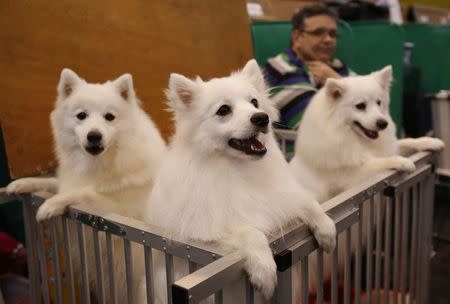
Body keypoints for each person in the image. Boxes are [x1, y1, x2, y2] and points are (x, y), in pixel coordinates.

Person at [264, 5, 355, 129]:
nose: (328, 39)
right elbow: (316, 128)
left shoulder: (334, 66)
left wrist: (337, 79)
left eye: (333, 34)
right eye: (318, 33)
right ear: (297, 38)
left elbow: (375, 105)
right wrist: (343, 85)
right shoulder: (282, 70)